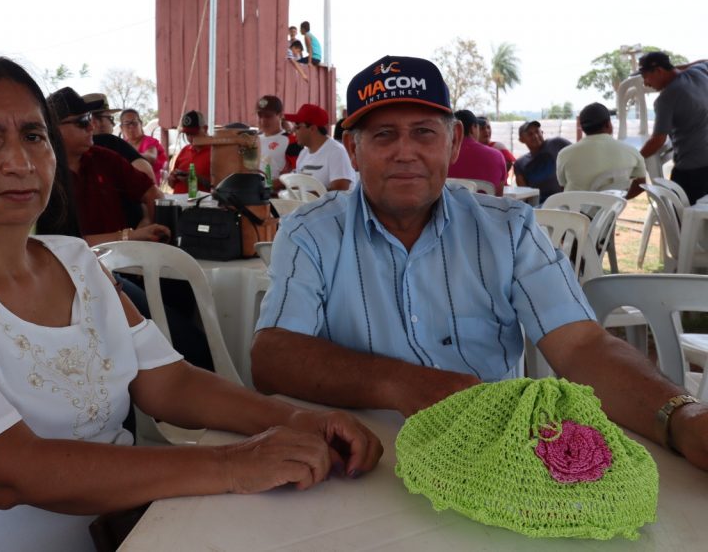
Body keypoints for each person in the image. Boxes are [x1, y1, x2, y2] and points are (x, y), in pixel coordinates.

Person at [0, 56, 382, 551]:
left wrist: (302, 420)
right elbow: (9, 473)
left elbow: (170, 382)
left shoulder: (74, 261)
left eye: (33, 135)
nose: (20, 161)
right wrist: (235, 464)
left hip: (126, 531)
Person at [249, 53, 708, 473]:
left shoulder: (509, 229)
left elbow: (583, 347)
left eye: (423, 132)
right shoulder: (310, 230)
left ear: (452, 143)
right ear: (353, 149)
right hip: (360, 462)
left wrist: (680, 416)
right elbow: (272, 357)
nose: (404, 151)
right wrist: (398, 383)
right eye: (384, 134)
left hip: (492, 461)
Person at [51, 88, 168, 244]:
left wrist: (150, 230)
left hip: (124, 262)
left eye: (89, 119)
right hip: (73, 265)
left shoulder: (103, 157)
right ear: (54, 129)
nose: (91, 127)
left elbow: (154, 194)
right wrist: (130, 237)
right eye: (82, 121)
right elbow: (62, 244)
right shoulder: (43, 174)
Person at [638, 51, 708, 204]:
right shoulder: (700, 71)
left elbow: (657, 140)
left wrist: (636, 159)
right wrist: (674, 68)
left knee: (682, 218)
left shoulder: (666, 99)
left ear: (659, 71)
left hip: (693, 171)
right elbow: (704, 60)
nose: (646, 84)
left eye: (646, 77)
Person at [557, 102, 646, 198]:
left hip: (573, 210)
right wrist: (621, 200)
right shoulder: (632, 152)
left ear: (582, 128)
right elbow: (641, 184)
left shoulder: (564, 154)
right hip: (609, 211)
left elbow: (563, 187)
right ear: (608, 125)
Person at [77, 92, 157, 184]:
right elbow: (148, 177)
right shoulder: (111, 142)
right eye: (110, 118)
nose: (113, 124)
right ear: (94, 121)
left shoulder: (73, 151)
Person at [285, 103, 354, 192]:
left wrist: (305, 195)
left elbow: (340, 190)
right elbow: (298, 185)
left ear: (313, 128)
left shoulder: (336, 151)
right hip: (307, 205)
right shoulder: (303, 154)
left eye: (297, 127)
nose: (293, 131)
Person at [447, 109, 506, 194]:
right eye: (480, 128)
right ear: (473, 128)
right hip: (485, 207)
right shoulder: (497, 156)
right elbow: (499, 196)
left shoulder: (442, 156)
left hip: (448, 207)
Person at [514, 120, 570, 202]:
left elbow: (576, 154)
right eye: (530, 134)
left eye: (537, 132)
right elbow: (524, 194)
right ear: (521, 140)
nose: (535, 136)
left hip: (562, 201)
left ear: (542, 133)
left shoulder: (557, 143)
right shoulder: (520, 163)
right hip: (538, 206)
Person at [256, 95, 296, 192]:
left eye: (268, 116)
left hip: (277, 197)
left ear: (281, 115)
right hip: (254, 194)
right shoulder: (254, 139)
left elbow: (298, 173)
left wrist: (276, 183)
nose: (263, 120)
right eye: (260, 116)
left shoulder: (291, 141)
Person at [167, 110, 213, 194]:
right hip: (179, 203)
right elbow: (172, 184)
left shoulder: (215, 152)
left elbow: (220, 187)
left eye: (193, 133)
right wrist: (171, 179)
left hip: (202, 204)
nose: (190, 138)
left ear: (205, 128)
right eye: (187, 134)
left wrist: (196, 179)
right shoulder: (184, 150)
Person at [119, 108, 167, 184]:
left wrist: (126, 155)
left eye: (134, 123)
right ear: (121, 128)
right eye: (127, 123)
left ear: (141, 124)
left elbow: (151, 158)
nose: (131, 126)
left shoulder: (150, 141)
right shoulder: (121, 145)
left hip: (150, 188)